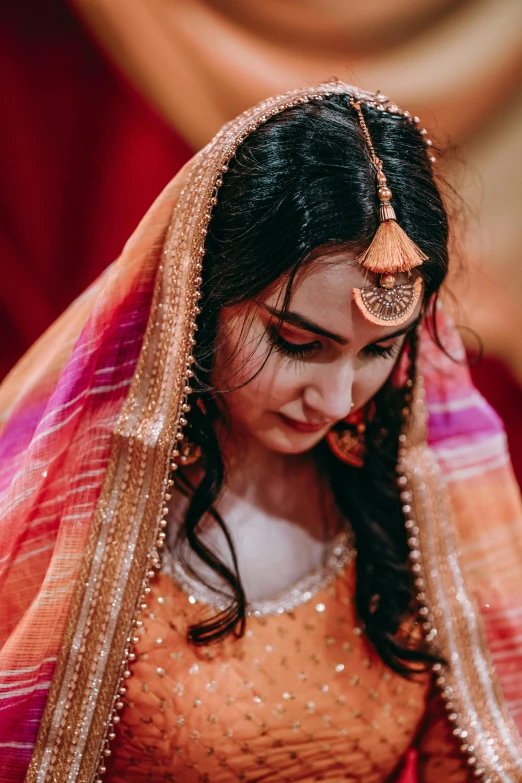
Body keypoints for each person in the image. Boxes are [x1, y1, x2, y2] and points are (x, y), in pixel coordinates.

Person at [0, 82, 521, 783]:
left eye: (377, 350)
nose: (336, 398)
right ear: (201, 293)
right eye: (298, 341)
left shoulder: (417, 506)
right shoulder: (76, 513)